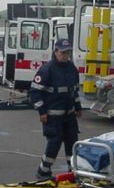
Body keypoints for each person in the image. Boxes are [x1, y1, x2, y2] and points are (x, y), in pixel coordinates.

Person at [29, 38, 82, 180]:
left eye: (68, 53)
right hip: (53, 116)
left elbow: (74, 90)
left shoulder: (72, 68)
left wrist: (77, 106)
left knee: (72, 143)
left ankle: (73, 171)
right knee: (54, 142)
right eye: (63, 52)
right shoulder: (47, 70)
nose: (65, 55)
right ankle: (43, 171)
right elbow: (35, 92)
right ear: (56, 51)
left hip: (69, 115)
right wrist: (42, 112)